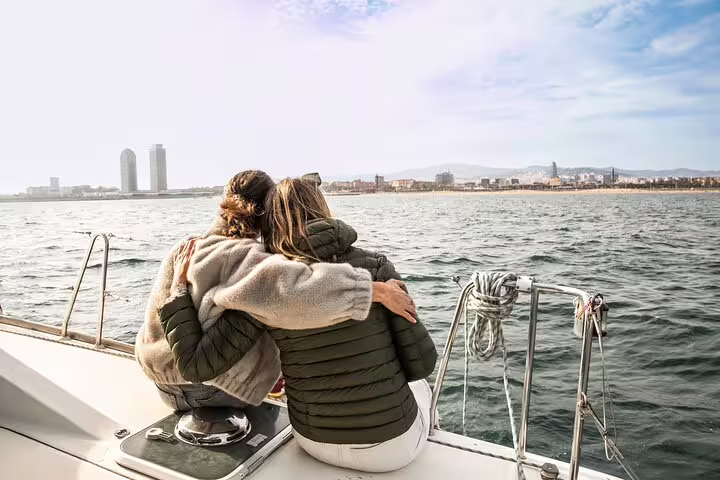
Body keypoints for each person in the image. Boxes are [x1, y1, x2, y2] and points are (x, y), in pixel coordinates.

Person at [161, 177, 437, 472]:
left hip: (314, 441)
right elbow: (421, 364)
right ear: (322, 208)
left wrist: (176, 293)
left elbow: (197, 367)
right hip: (391, 449)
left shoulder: (265, 284)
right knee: (421, 387)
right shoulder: (377, 268)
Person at [135, 170, 417, 412]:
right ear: (266, 214)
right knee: (267, 308)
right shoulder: (245, 257)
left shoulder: (187, 246)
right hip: (208, 393)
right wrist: (374, 290)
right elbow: (298, 290)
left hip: (158, 381)